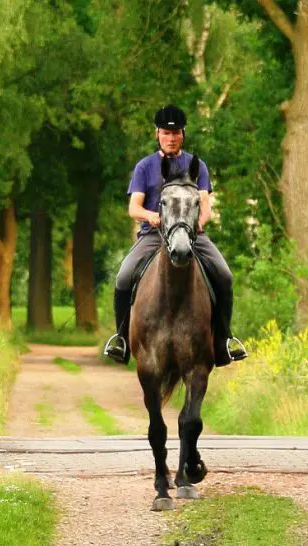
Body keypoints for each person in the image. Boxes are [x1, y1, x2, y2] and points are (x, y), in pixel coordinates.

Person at [103, 104, 248, 367]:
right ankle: (121, 339)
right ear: (157, 134)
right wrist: (151, 217)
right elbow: (134, 207)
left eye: (176, 133)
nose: (171, 138)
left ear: (183, 134)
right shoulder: (145, 167)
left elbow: (205, 205)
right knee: (123, 277)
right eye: (166, 133)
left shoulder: (197, 165)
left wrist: (198, 223)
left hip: (191, 235)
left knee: (225, 276)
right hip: (154, 235)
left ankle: (224, 340)